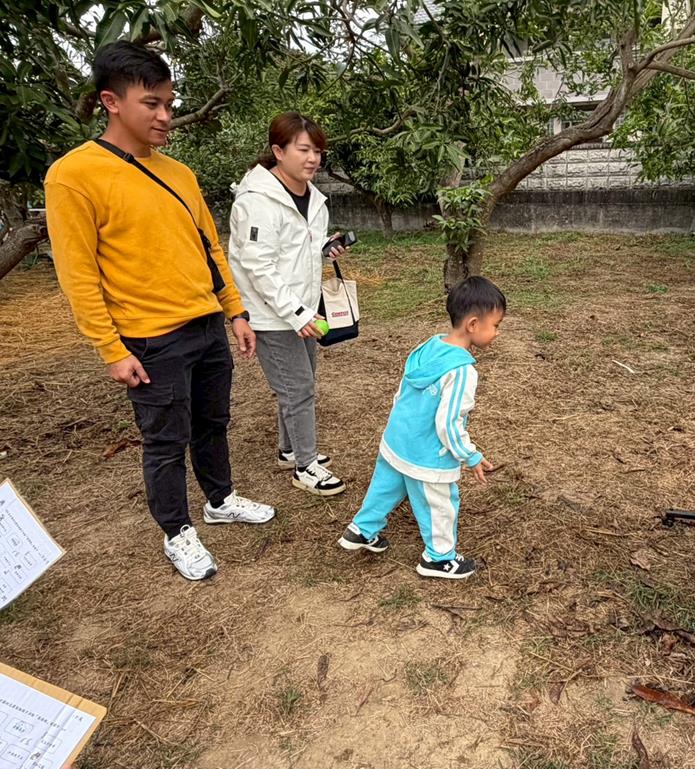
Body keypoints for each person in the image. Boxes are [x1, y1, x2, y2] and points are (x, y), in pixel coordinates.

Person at [44, 41, 275, 582]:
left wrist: (235, 312)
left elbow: (209, 248)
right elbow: (78, 275)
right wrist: (110, 349)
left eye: (169, 103)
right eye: (151, 104)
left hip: (206, 324)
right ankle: (177, 530)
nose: (165, 116)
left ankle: (220, 499)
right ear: (111, 102)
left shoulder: (179, 174)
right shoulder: (73, 176)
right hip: (150, 339)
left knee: (213, 423)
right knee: (166, 441)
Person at [338, 277, 505, 580]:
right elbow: (449, 422)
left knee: (385, 487)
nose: (497, 333)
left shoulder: (427, 346)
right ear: (473, 324)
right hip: (427, 456)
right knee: (439, 504)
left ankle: (361, 529)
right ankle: (439, 558)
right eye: (495, 325)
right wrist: (470, 455)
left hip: (397, 441)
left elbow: (401, 393)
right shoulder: (461, 371)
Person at [227, 113, 346, 497]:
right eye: (304, 150)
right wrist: (295, 314)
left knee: (299, 383)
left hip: (302, 308)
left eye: (318, 151)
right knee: (298, 389)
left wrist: (325, 247)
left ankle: (289, 449)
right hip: (272, 314)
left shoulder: (312, 196)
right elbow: (257, 267)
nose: (313, 159)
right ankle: (305, 466)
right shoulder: (257, 202)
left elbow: (297, 247)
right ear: (278, 151)